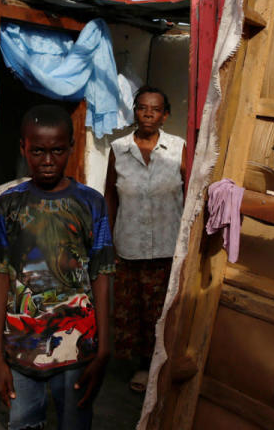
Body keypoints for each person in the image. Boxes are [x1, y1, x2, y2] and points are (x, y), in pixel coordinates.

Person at [0, 104, 115, 430]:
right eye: (38, 151)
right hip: (21, 353)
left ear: (70, 147)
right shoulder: (7, 204)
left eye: (57, 150)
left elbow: (101, 275)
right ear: (23, 148)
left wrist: (105, 350)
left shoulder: (90, 203)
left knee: (75, 423)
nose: (48, 160)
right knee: (23, 423)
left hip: (78, 352)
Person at [104, 85, 186, 392]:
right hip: (129, 247)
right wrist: (107, 238)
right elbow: (110, 194)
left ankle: (162, 367)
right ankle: (141, 367)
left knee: (163, 312)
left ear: (165, 115)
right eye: (142, 107)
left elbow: (191, 195)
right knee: (133, 311)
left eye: (155, 109)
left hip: (168, 248)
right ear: (135, 111)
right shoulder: (119, 149)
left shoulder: (179, 148)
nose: (148, 113)